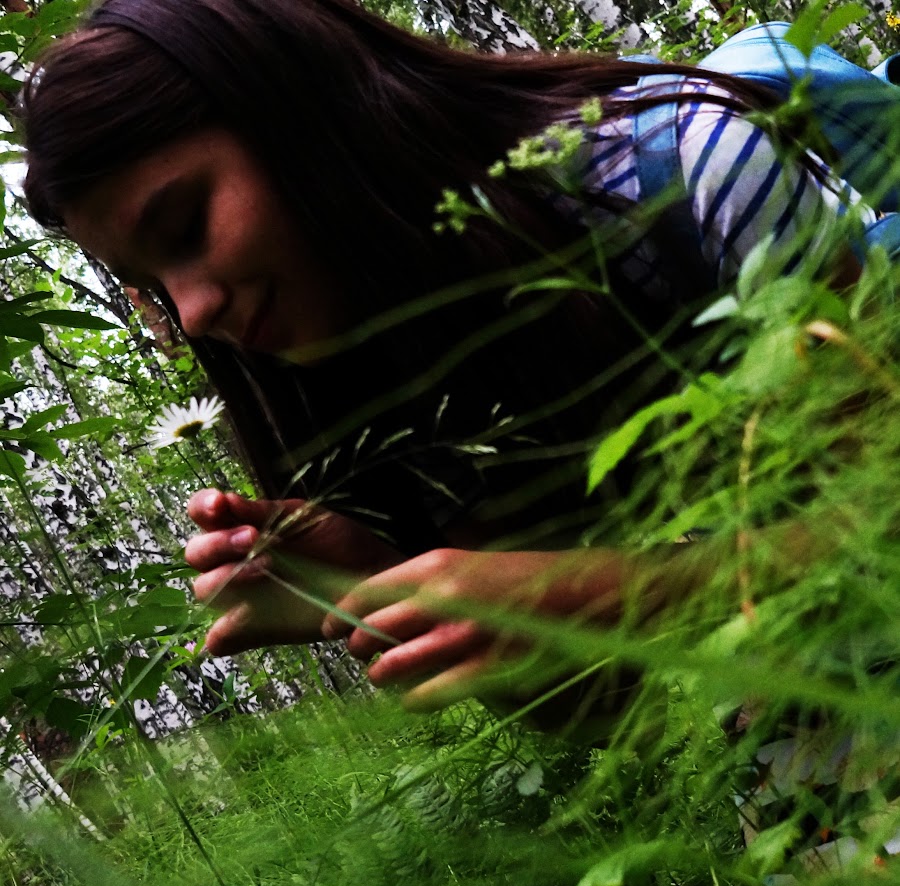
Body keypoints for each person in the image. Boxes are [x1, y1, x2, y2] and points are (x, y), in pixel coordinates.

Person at [20, 0, 869, 716]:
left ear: (294, 115)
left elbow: (882, 525)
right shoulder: (396, 371)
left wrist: (606, 589)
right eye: (155, 288)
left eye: (185, 228)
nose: (194, 313)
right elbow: (609, 716)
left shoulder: (691, 165)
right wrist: (388, 580)